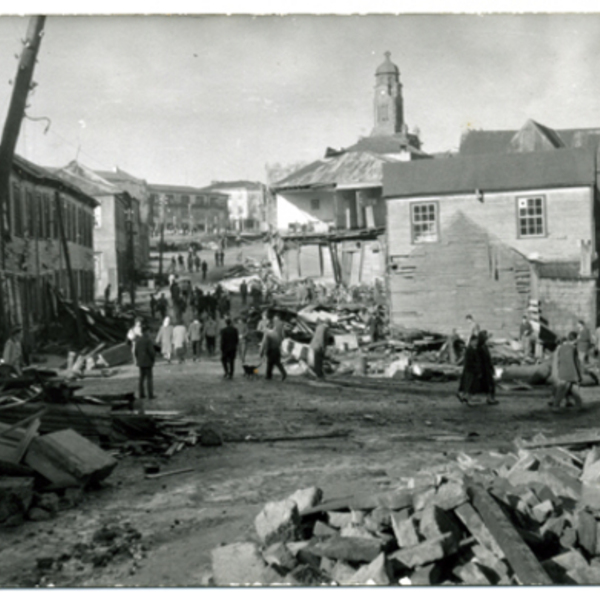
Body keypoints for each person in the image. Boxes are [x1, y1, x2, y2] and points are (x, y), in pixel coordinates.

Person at [551, 331, 584, 411]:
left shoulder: (561, 348)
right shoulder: (573, 349)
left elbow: (559, 361)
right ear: (575, 339)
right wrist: (578, 375)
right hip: (571, 373)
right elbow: (575, 362)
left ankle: (577, 405)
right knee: (564, 390)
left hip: (562, 372)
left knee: (567, 389)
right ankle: (556, 406)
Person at [134, 323, 156, 412]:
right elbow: (152, 352)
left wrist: (138, 359)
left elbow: (135, 352)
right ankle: (150, 395)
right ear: (146, 332)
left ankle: (141, 394)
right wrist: (153, 359)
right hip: (148, 362)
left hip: (140, 362)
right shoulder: (148, 341)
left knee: (141, 378)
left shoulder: (138, 341)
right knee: (149, 379)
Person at [478, 331, 498, 405]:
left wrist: (491, 368)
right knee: (489, 384)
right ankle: (490, 398)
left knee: (491, 384)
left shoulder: (484, 347)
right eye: (486, 339)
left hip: (487, 368)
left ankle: (490, 398)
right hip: (484, 369)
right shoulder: (480, 348)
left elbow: (488, 359)